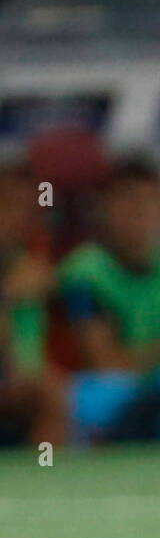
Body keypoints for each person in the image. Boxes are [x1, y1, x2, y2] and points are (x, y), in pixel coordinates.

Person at [59, 157, 160, 444]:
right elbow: (105, 364)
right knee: (85, 402)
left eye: (150, 204)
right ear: (106, 210)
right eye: (128, 204)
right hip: (112, 395)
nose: (139, 215)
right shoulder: (86, 272)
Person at [0, 161, 65, 446]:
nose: (17, 219)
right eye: (6, 206)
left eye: (26, 210)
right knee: (49, 389)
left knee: (52, 388)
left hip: (21, 384)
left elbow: (53, 278)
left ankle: (45, 477)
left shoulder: (32, 268)